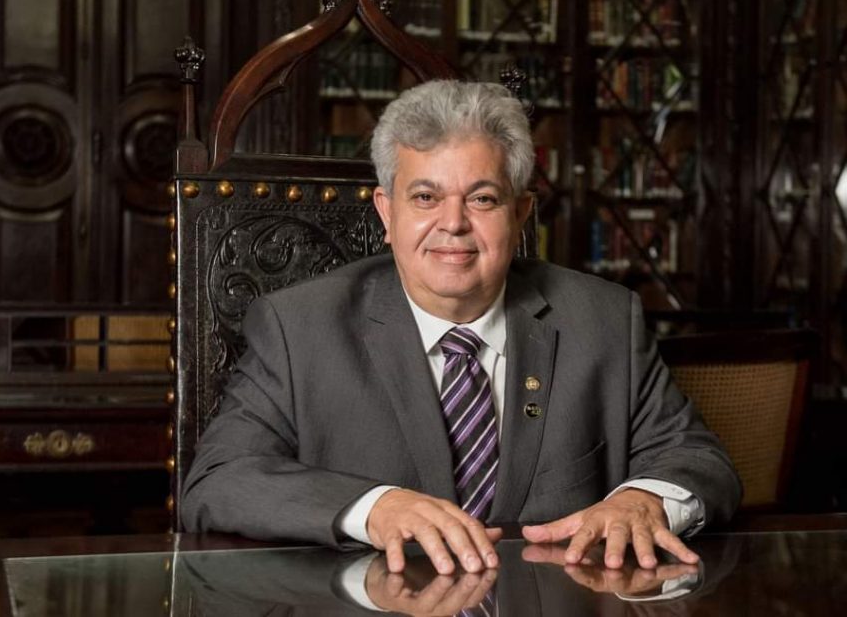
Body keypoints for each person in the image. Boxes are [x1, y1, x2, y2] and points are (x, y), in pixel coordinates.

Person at [181, 80, 741, 576]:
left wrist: (644, 501)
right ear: (386, 212)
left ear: (520, 214)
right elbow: (218, 480)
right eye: (425, 197)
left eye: (482, 199)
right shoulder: (299, 328)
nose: (453, 224)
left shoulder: (604, 319)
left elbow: (699, 460)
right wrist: (374, 508)